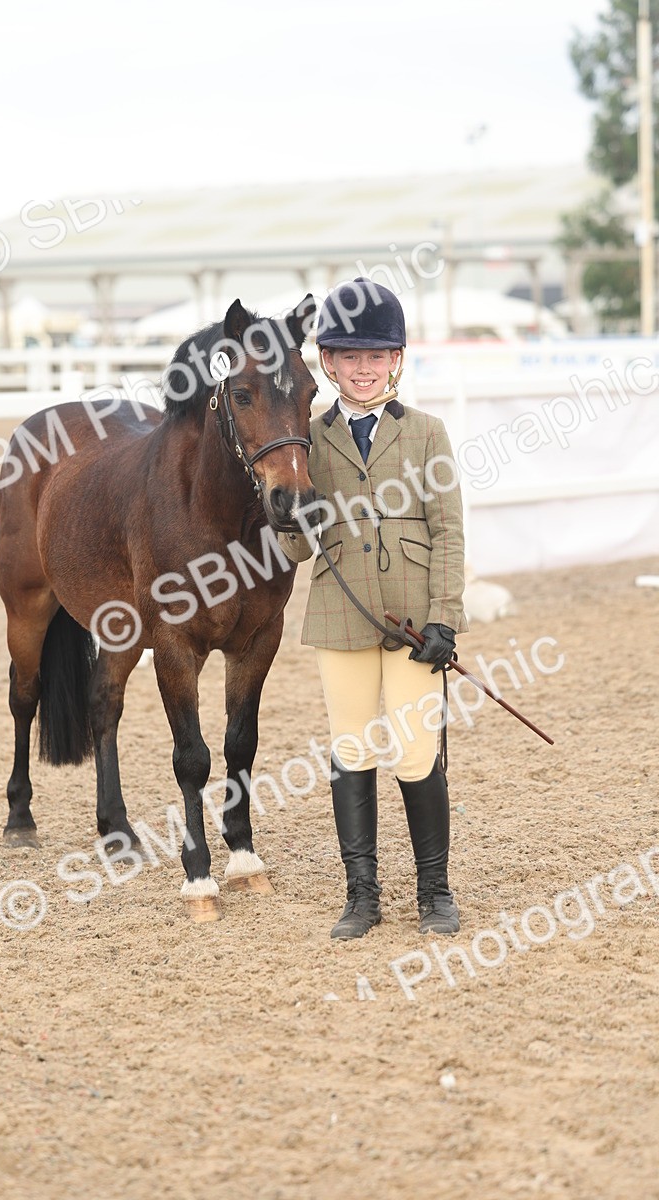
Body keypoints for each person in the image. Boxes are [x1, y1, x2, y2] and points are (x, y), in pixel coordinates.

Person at [279, 277, 467, 940]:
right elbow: (296, 549)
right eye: (349, 356)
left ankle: (434, 891)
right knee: (352, 749)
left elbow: (448, 531)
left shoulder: (427, 433)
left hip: (415, 620)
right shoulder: (308, 438)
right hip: (342, 614)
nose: (363, 369)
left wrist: (445, 617)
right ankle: (361, 895)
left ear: (397, 359)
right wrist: (289, 515)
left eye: (376, 355)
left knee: (416, 754)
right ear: (327, 362)